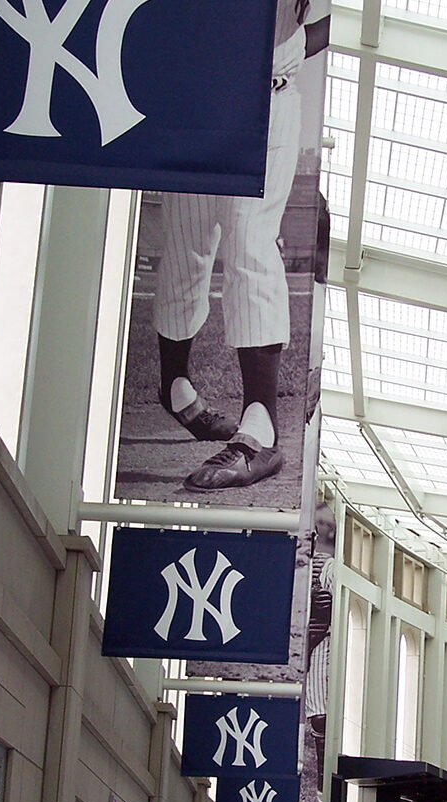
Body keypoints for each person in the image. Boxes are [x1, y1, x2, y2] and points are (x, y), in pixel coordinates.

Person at [151, 0, 329, 491]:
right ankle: (174, 385)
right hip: (193, 100)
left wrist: (291, 50)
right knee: (186, 244)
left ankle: (261, 430)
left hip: (266, 103)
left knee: (251, 244)